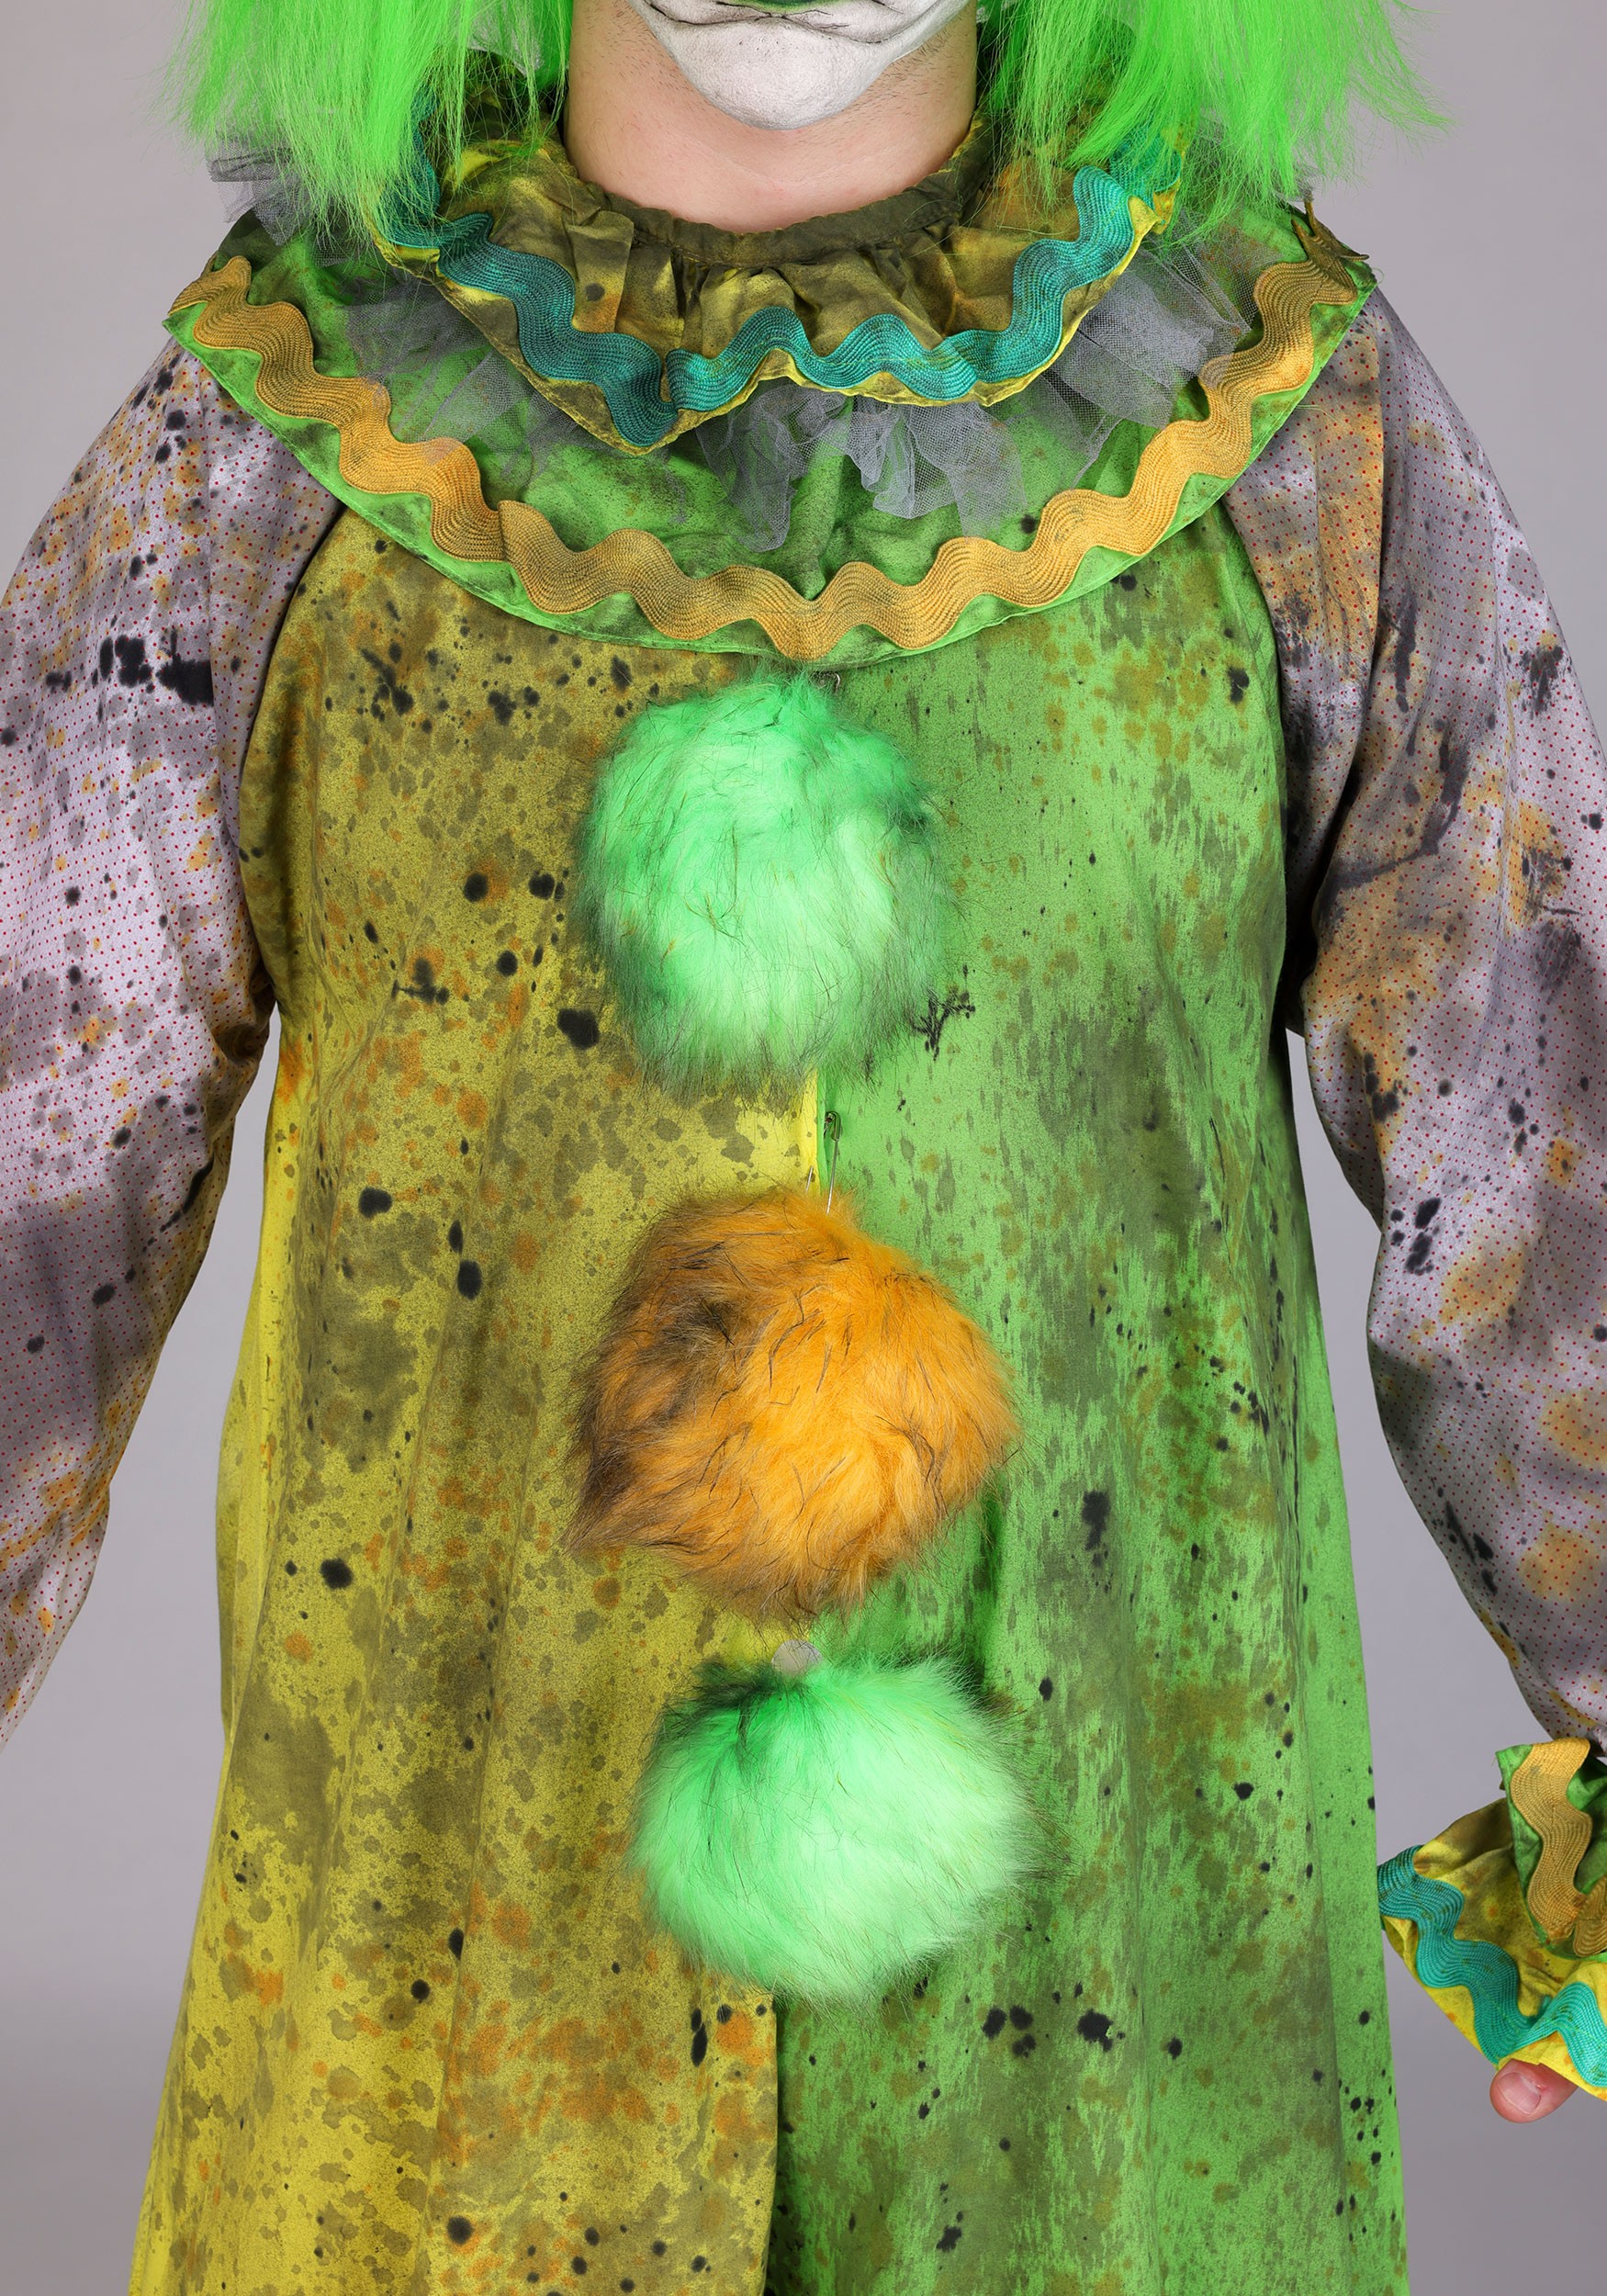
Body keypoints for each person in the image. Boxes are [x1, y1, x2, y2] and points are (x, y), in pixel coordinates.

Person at [2, 0, 1602, 2287]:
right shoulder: (274, 436)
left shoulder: (1280, 413)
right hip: (448, 1984)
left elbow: (1539, 1140)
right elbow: (30, 1150)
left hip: (1112, 1989)